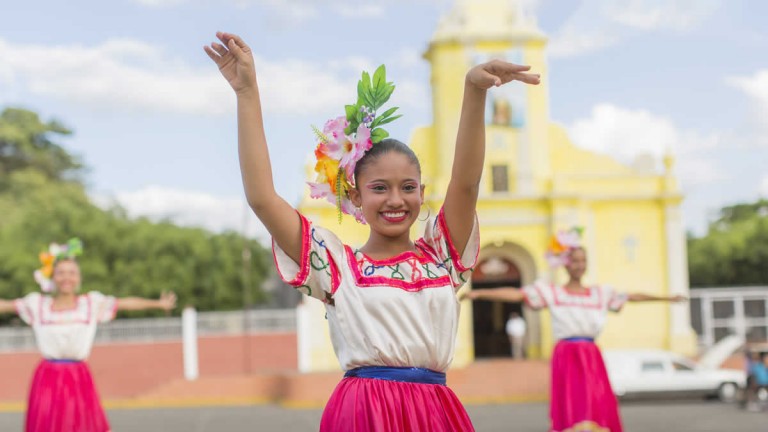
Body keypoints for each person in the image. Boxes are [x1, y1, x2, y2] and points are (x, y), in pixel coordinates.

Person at [204, 31, 539, 431]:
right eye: (379, 188)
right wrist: (247, 92)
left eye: (408, 187)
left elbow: (466, 183)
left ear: (422, 193)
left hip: (435, 412)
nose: (396, 199)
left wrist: (474, 90)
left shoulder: (442, 255)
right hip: (364, 412)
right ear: (356, 197)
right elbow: (261, 198)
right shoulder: (335, 265)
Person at [461, 228, 685, 432]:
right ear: (565, 264)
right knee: (572, 404)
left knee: (597, 403)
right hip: (567, 354)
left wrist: (667, 298)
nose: (579, 265)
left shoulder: (600, 294)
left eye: (583, 260)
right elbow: (518, 294)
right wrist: (480, 294)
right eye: (575, 260)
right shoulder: (554, 293)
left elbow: (632, 296)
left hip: (591, 353)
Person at [0, 238, 177, 432]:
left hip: (78, 377)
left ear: (79, 278)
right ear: (52, 277)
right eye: (60, 273)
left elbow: (125, 303)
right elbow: (5, 305)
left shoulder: (91, 304)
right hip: (48, 378)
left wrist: (158, 304)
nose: (66, 278)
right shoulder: (37, 305)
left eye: (72, 273)